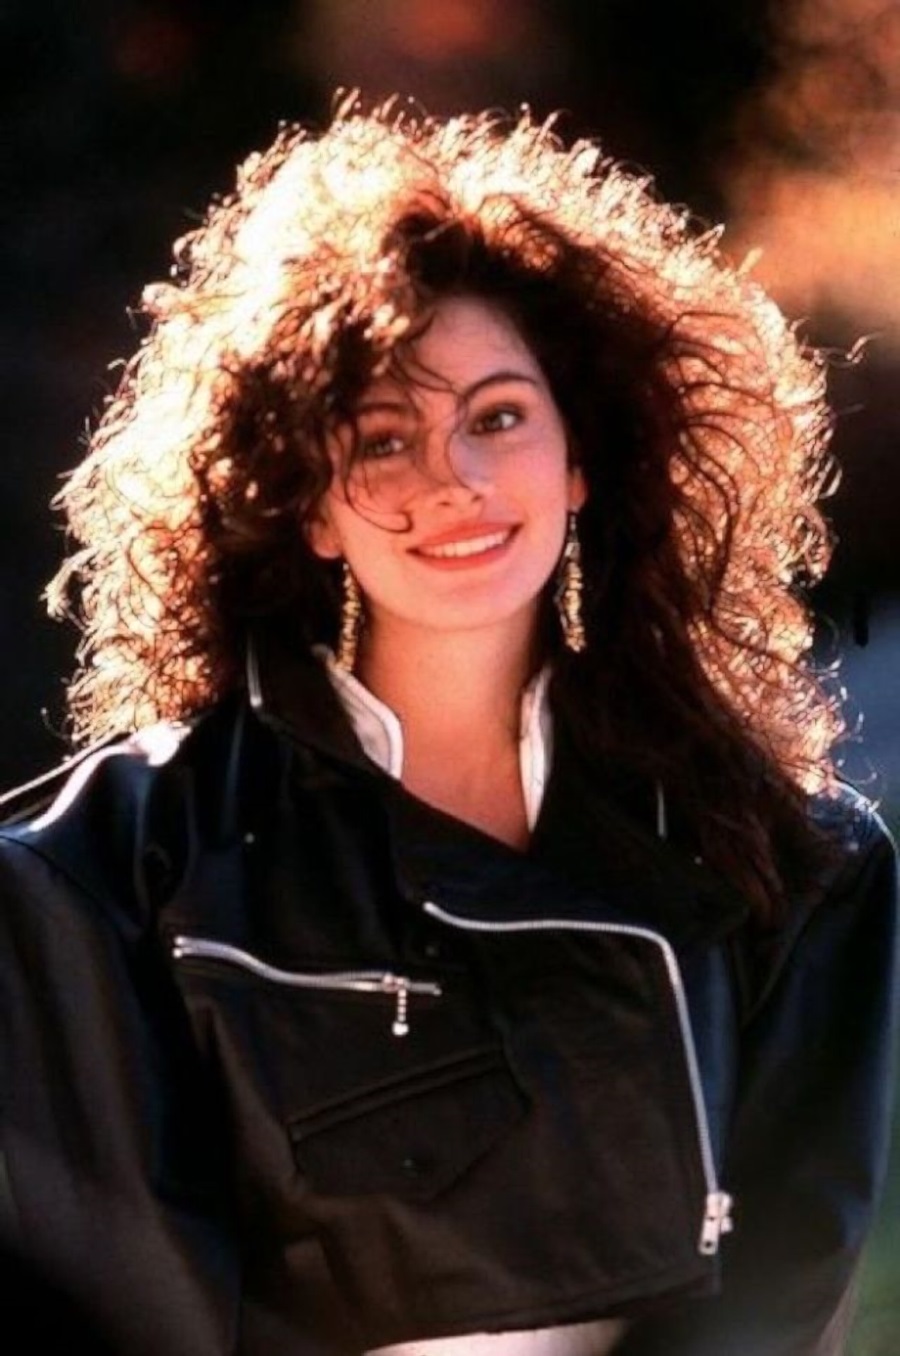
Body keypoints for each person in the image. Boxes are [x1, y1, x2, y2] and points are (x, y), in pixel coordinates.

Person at [0, 93, 897, 1356]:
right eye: (384, 438)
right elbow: (129, 1294)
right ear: (308, 505)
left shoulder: (791, 865)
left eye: (498, 416)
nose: (455, 481)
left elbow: (778, 1297)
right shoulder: (110, 870)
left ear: (581, 458)